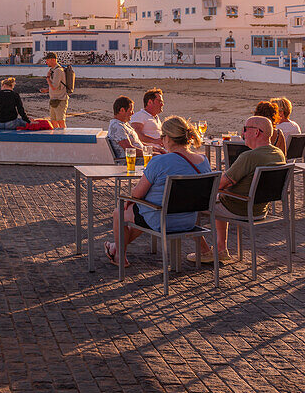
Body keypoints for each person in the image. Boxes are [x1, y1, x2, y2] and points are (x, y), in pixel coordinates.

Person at [103, 116, 211, 267]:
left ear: (167, 138)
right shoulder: (203, 161)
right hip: (189, 220)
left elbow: (138, 193)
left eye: (162, 137)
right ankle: (115, 247)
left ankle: (120, 257)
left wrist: (131, 199)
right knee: (143, 210)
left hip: (163, 220)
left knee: (120, 212)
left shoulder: (159, 161)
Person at [189, 116, 286, 263]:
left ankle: (205, 252)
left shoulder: (249, 157)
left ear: (256, 133)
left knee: (193, 204)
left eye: (245, 129)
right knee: (218, 198)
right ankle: (221, 248)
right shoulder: (278, 154)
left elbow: (221, 184)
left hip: (239, 208)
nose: (242, 133)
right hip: (260, 209)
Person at [105, 96, 146, 162]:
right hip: (132, 161)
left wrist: (153, 149)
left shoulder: (124, 124)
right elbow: (129, 149)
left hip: (140, 158)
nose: (133, 113)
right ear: (122, 110)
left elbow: (136, 142)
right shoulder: (117, 127)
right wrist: (150, 154)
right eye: (131, 110)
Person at [40, 53, 68, 129]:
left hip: (60, 99)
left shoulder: (58, 71)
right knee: (53, 120)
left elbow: (54, 87)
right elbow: (54, 86)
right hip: (54, 99)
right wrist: (46, 90)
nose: (46, 62)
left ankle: (63, 137)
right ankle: (57, 136)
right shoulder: (53, 70)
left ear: (53, 60)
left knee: (60, 121)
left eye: (47, 60)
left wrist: (48, 78)